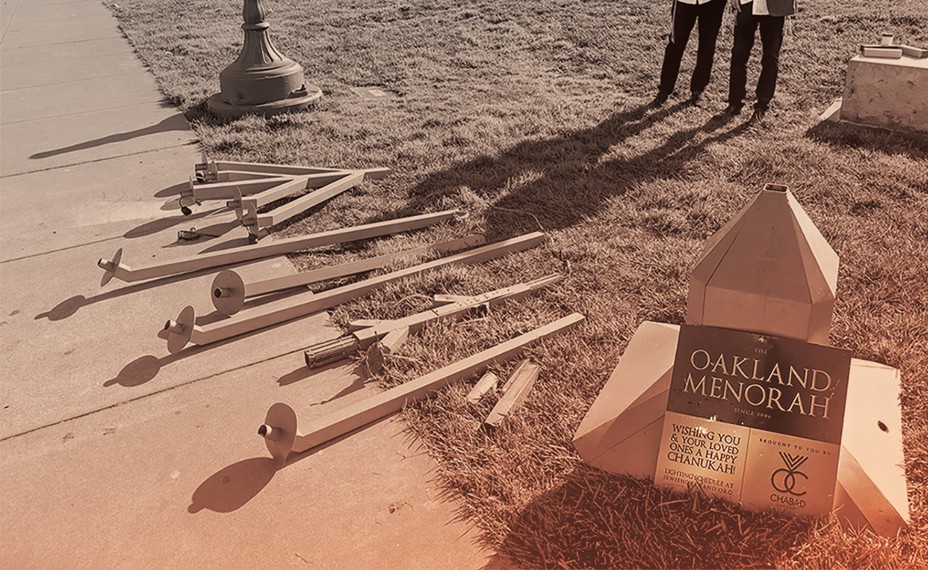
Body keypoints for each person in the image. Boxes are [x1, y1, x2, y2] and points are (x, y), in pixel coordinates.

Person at [726, 0, 793, 122]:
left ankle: (762, 105)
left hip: (774, 9)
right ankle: (735, 102)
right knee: (739, 54)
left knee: (770, 58)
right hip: (746, 5)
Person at [653, 0, 727, 107]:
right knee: (675, 44)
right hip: (684, 2)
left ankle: (698, 90)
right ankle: (665, 90)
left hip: (713, 3)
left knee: (707, 46)